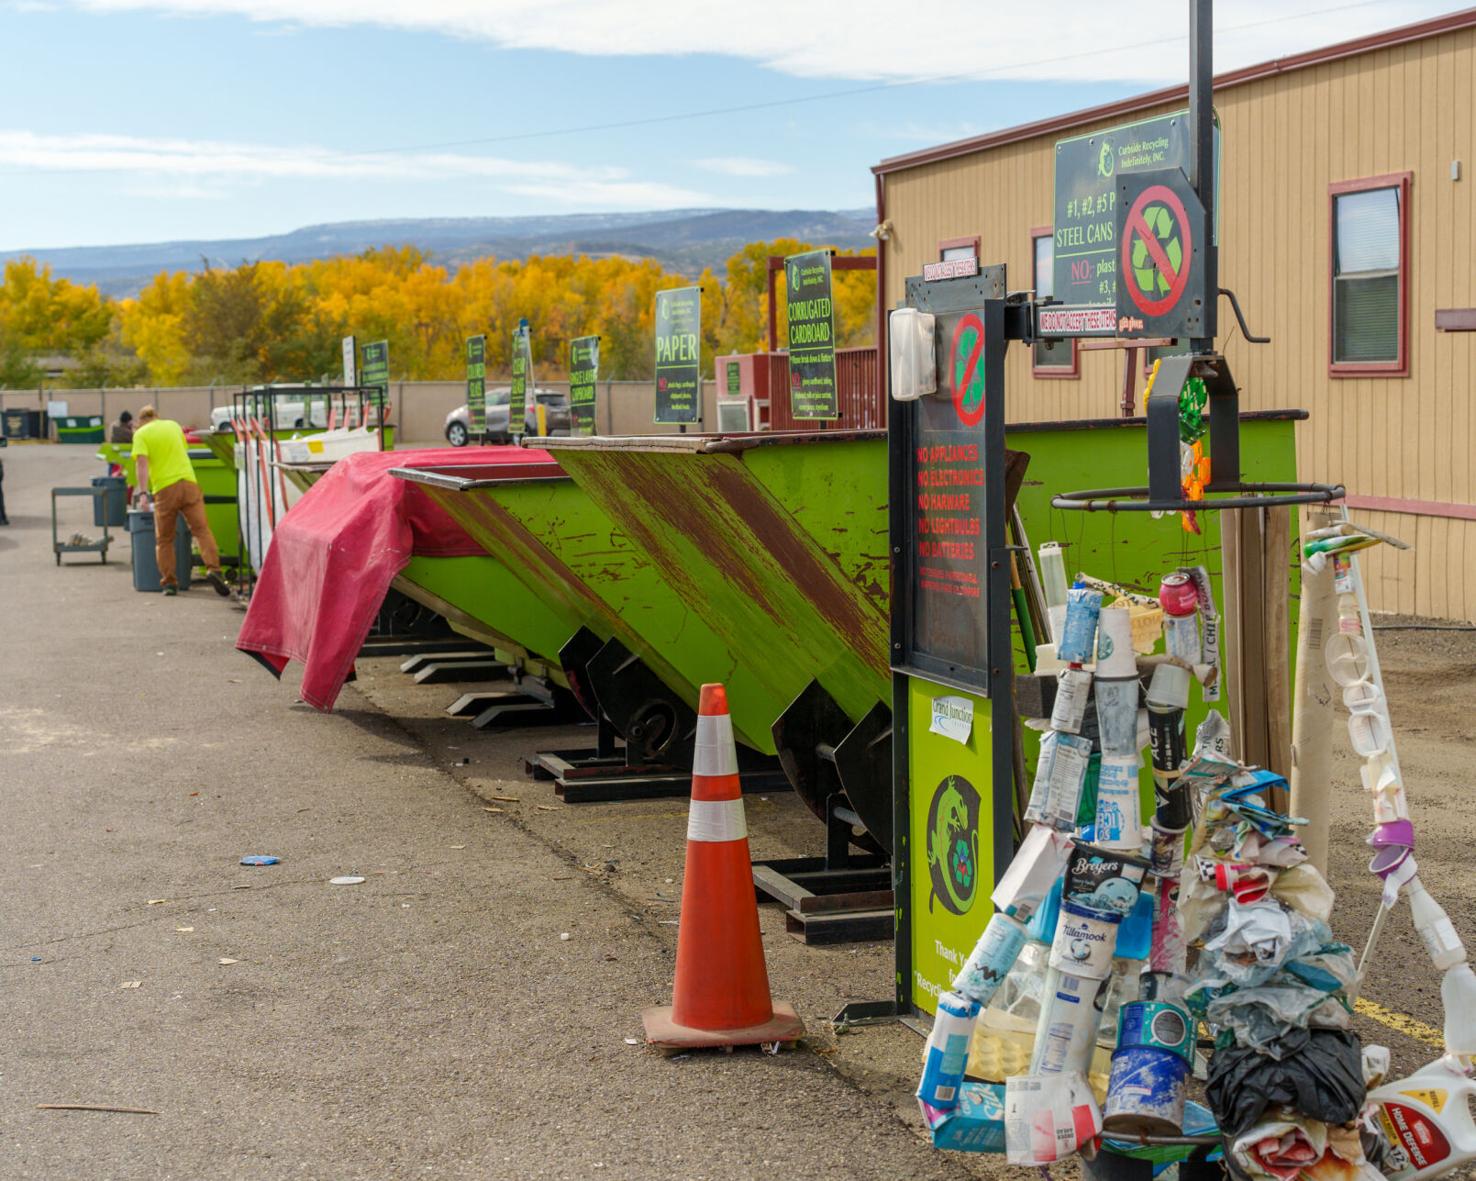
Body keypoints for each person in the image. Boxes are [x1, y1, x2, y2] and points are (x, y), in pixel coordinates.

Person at [130, 405, 229, 597]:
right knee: (201, 530)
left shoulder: (141, 434)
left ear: (141, 421)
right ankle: (214, 569)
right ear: (157, 416)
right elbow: (183, 449)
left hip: (165, 489)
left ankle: (169, 583)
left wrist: (143, 493)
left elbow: (142, 464)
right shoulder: (173, 426)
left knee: (165, 539)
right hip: (189, 483)